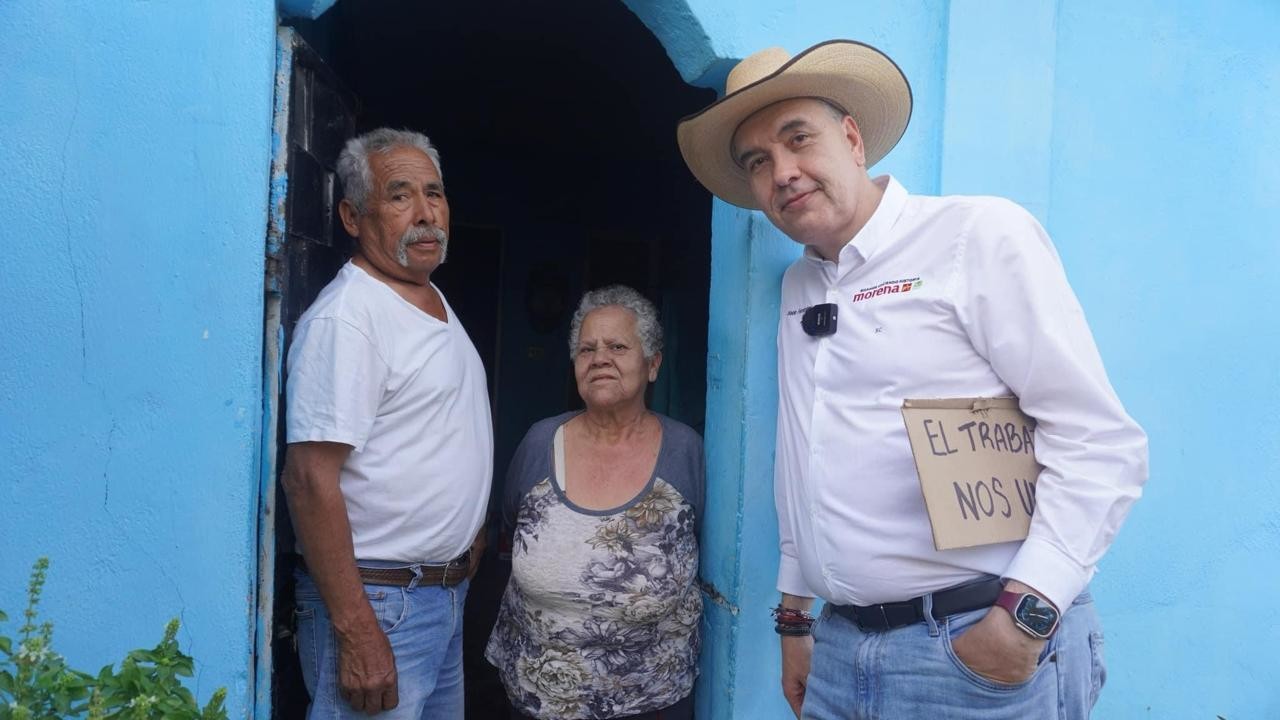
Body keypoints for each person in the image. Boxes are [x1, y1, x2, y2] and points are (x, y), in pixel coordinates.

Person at [677, 41, 1148, 719]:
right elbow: (804, 465)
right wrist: (795, 619)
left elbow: (1098, 441)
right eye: (758, 162)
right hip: (841, 651)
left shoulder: (976, 236)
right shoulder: (799, 286)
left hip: (970, 650)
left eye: (797, 139)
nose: (782, 172)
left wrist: (1025, 615)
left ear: (852, 138)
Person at [282, 127, 493, 719]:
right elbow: (307, 480)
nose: (427, 213)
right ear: (353, 216)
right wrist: (357, 631)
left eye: (435, 193)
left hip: (436, 598)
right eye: (401, 195)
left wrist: (465, 532)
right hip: (380, 607)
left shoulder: (428, 297)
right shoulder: (349, 319)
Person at [486, 285, 703, 720]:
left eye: (618, 346)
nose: (599, 357)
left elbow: (705, 545)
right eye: (587, 349)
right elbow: (509, 523)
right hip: (537, 697)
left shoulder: (684, 451)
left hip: (652, 699)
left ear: (653, 363)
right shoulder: (539, 442)